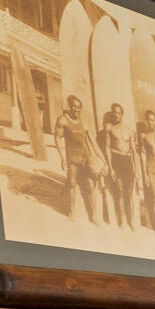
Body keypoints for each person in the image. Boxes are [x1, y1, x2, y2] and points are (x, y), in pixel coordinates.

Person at [55, 95, 104, 225]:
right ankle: (72, 212)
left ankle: (94, 215)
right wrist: (62, 158)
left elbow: (93, 143)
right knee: (72, 183)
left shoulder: (84, 123)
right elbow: (57, 138)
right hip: (72, 156)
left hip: (85, 156)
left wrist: (102, 159)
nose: (76, 109)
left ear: (80, 109)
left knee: (90, 184)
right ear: (70, 107)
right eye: (74, 106)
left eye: (78, 107)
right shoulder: (63, 120)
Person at [99, 103, 135, 227]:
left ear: (122, 114)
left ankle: (131, 222)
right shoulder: (109, 129)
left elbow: (134, 151)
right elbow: (107, 148)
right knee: (119, 193)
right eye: (114, 112)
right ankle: (123, 221)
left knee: (129, 194)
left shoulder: (129, 131)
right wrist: (110, 167)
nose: (116, 115)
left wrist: (136, 170)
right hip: (116, 160)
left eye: (119, 113)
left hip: (128, 160)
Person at [135, 109, 155, 232]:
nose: (150, 122)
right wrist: (146, 174)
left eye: (152, 120)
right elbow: (143, 156)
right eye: (148, 120)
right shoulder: (145, 137)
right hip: (151, 167)